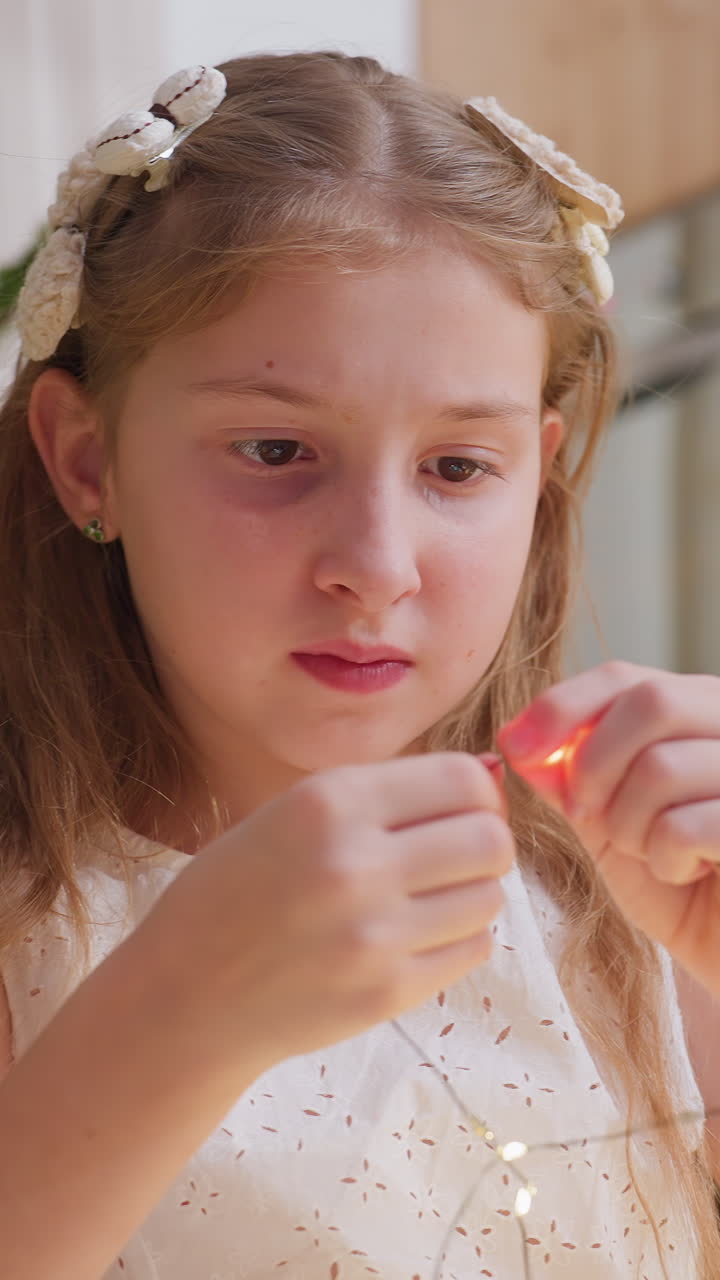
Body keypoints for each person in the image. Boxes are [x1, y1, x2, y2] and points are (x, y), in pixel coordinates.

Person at [0, 50, 718, 1280]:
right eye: (277, 449)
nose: (378, 567)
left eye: (458, 466)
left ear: (539, 471)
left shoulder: (629, 907)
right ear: (86, 459)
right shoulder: (34, 926)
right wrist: (171, 1010)